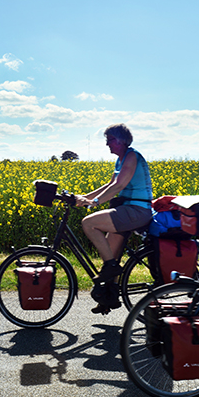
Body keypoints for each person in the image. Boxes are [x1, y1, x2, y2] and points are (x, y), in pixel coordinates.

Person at [75, 124, 153, 313]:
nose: (107, 143)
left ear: (121, 140)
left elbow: (119, 186)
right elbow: (109, 185)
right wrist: (84, 198)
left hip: (137, 210)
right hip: (127, 209)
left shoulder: (132, 156)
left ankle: (111, 269)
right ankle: (109, 298)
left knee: (89, 223)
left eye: (110, 139)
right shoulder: (121, 159)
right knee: (111, 254)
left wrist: (93, 203)